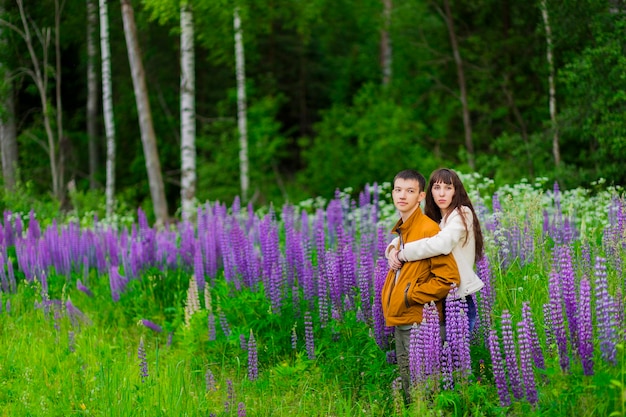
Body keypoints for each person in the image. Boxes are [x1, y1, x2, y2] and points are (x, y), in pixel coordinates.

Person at [381, 169, 460, 403]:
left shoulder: (427, 229)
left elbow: (448, 279)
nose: (402, 196)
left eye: (410, 191)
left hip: (420, 322)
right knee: (409, 386)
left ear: (421, 196)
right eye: (398, 190)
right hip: (403, 317)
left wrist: (410, 295)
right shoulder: (404, 230)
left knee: (422, 388)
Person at [386, 168, 485, 332]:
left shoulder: (462, 213)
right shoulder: (436, 220)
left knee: (457, 353)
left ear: (456, 191)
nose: (442, 194)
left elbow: (442, 243)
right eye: (437, 188)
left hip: (457, 298)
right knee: (437, 354)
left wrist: (402, 254)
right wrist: (391, 250)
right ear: (429, 192)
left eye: (448, 188)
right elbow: (406, 239)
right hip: (438, 296)